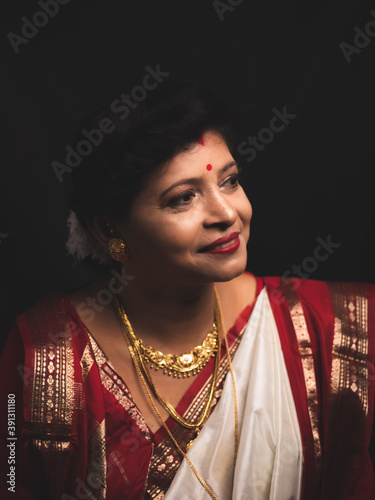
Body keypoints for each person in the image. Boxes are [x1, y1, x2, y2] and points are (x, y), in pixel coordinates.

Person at [0, 80, 374, 500]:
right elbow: (14, 483)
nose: (226, 213)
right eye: (183, 199)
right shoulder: (46, 354)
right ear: (108, 229)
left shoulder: (326, 326)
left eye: (229, 181)